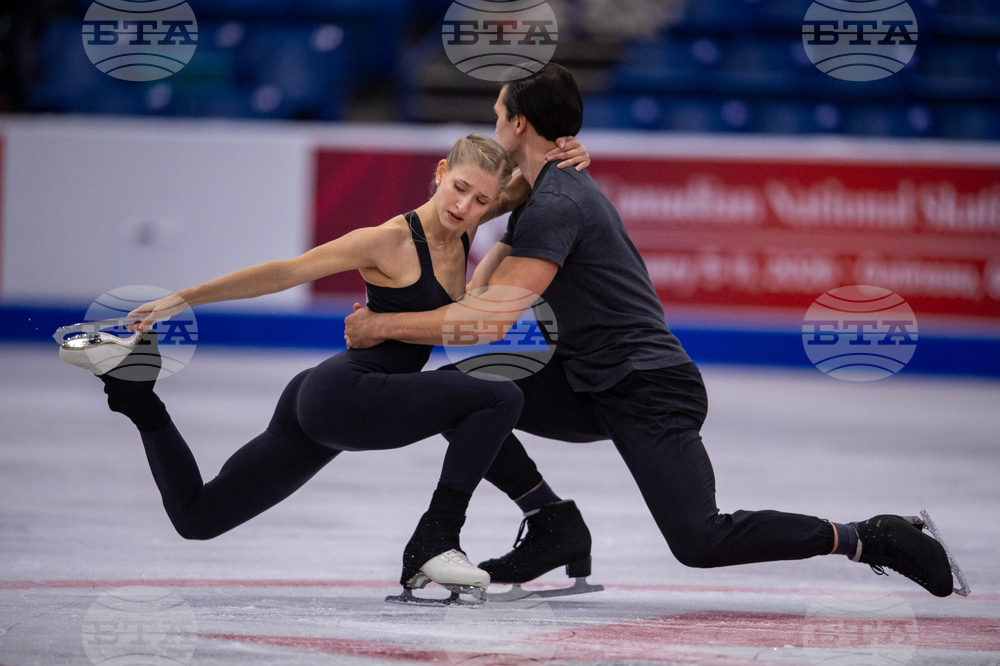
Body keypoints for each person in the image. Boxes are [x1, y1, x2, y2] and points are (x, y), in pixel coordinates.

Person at [343, 64, 959, 598]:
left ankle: (869, 536)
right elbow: (500, 229)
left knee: (700, 539)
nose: (494, 120)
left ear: (519, 124)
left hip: (648, 385)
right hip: (589, 376)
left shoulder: (556, 201)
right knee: (465, 395)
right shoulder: (544, 190)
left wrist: (380, 324)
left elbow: (488, 317)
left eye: (499, 112)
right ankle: (553, 523)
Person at [60, 134, 593, 601]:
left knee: (197, 517)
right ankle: (437, 538)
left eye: (481, 200)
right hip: (346, 396)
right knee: (499, 395)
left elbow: (527, 184)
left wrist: (567, 155)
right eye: (459, 188)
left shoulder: (466, 228)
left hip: (325, 395)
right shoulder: (388, 239)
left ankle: (138, 398)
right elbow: (285, 273)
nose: (464, 205)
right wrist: (183, 298)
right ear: (439, 173)